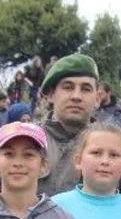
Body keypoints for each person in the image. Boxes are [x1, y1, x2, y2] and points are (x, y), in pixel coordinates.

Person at [38, 54, 101, 197]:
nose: (76, 96)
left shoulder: (114, 148)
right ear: (51, 95)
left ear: (97, 98)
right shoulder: (27, 141)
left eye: (86, 89)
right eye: (68, 87)